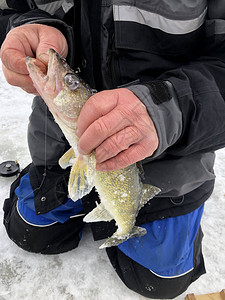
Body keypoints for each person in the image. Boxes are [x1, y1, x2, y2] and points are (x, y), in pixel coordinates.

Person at [1, 1, 225, 298]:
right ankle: (77, 193)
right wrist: (29, 27)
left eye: (68, 81)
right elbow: (9, 9)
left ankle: (128, 217)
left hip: (173, 156)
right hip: (61, 144)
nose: (62, 76)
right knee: (28, 231)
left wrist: (168, 109)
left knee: (161, 280)